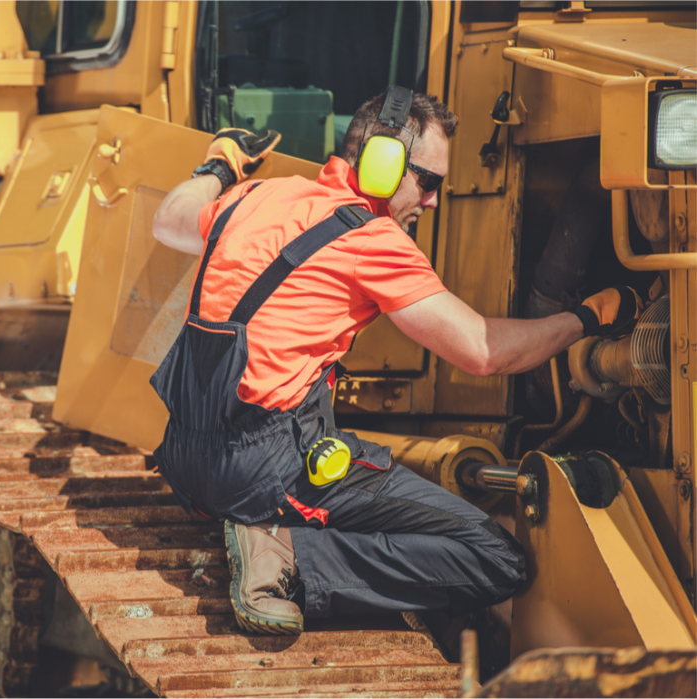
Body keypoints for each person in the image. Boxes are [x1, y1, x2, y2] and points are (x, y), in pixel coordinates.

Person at [149, 88, 642, 635]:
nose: (431, 202)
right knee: (496, 558)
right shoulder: (372, 239)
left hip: (185, 460)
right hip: (261, 473)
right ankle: (285, 556)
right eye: (427, 181)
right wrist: (590, 319)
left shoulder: (260, 195)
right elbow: (485, 351)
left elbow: (169, 219)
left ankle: (266, 527)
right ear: (383, 164)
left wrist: (221, 164)